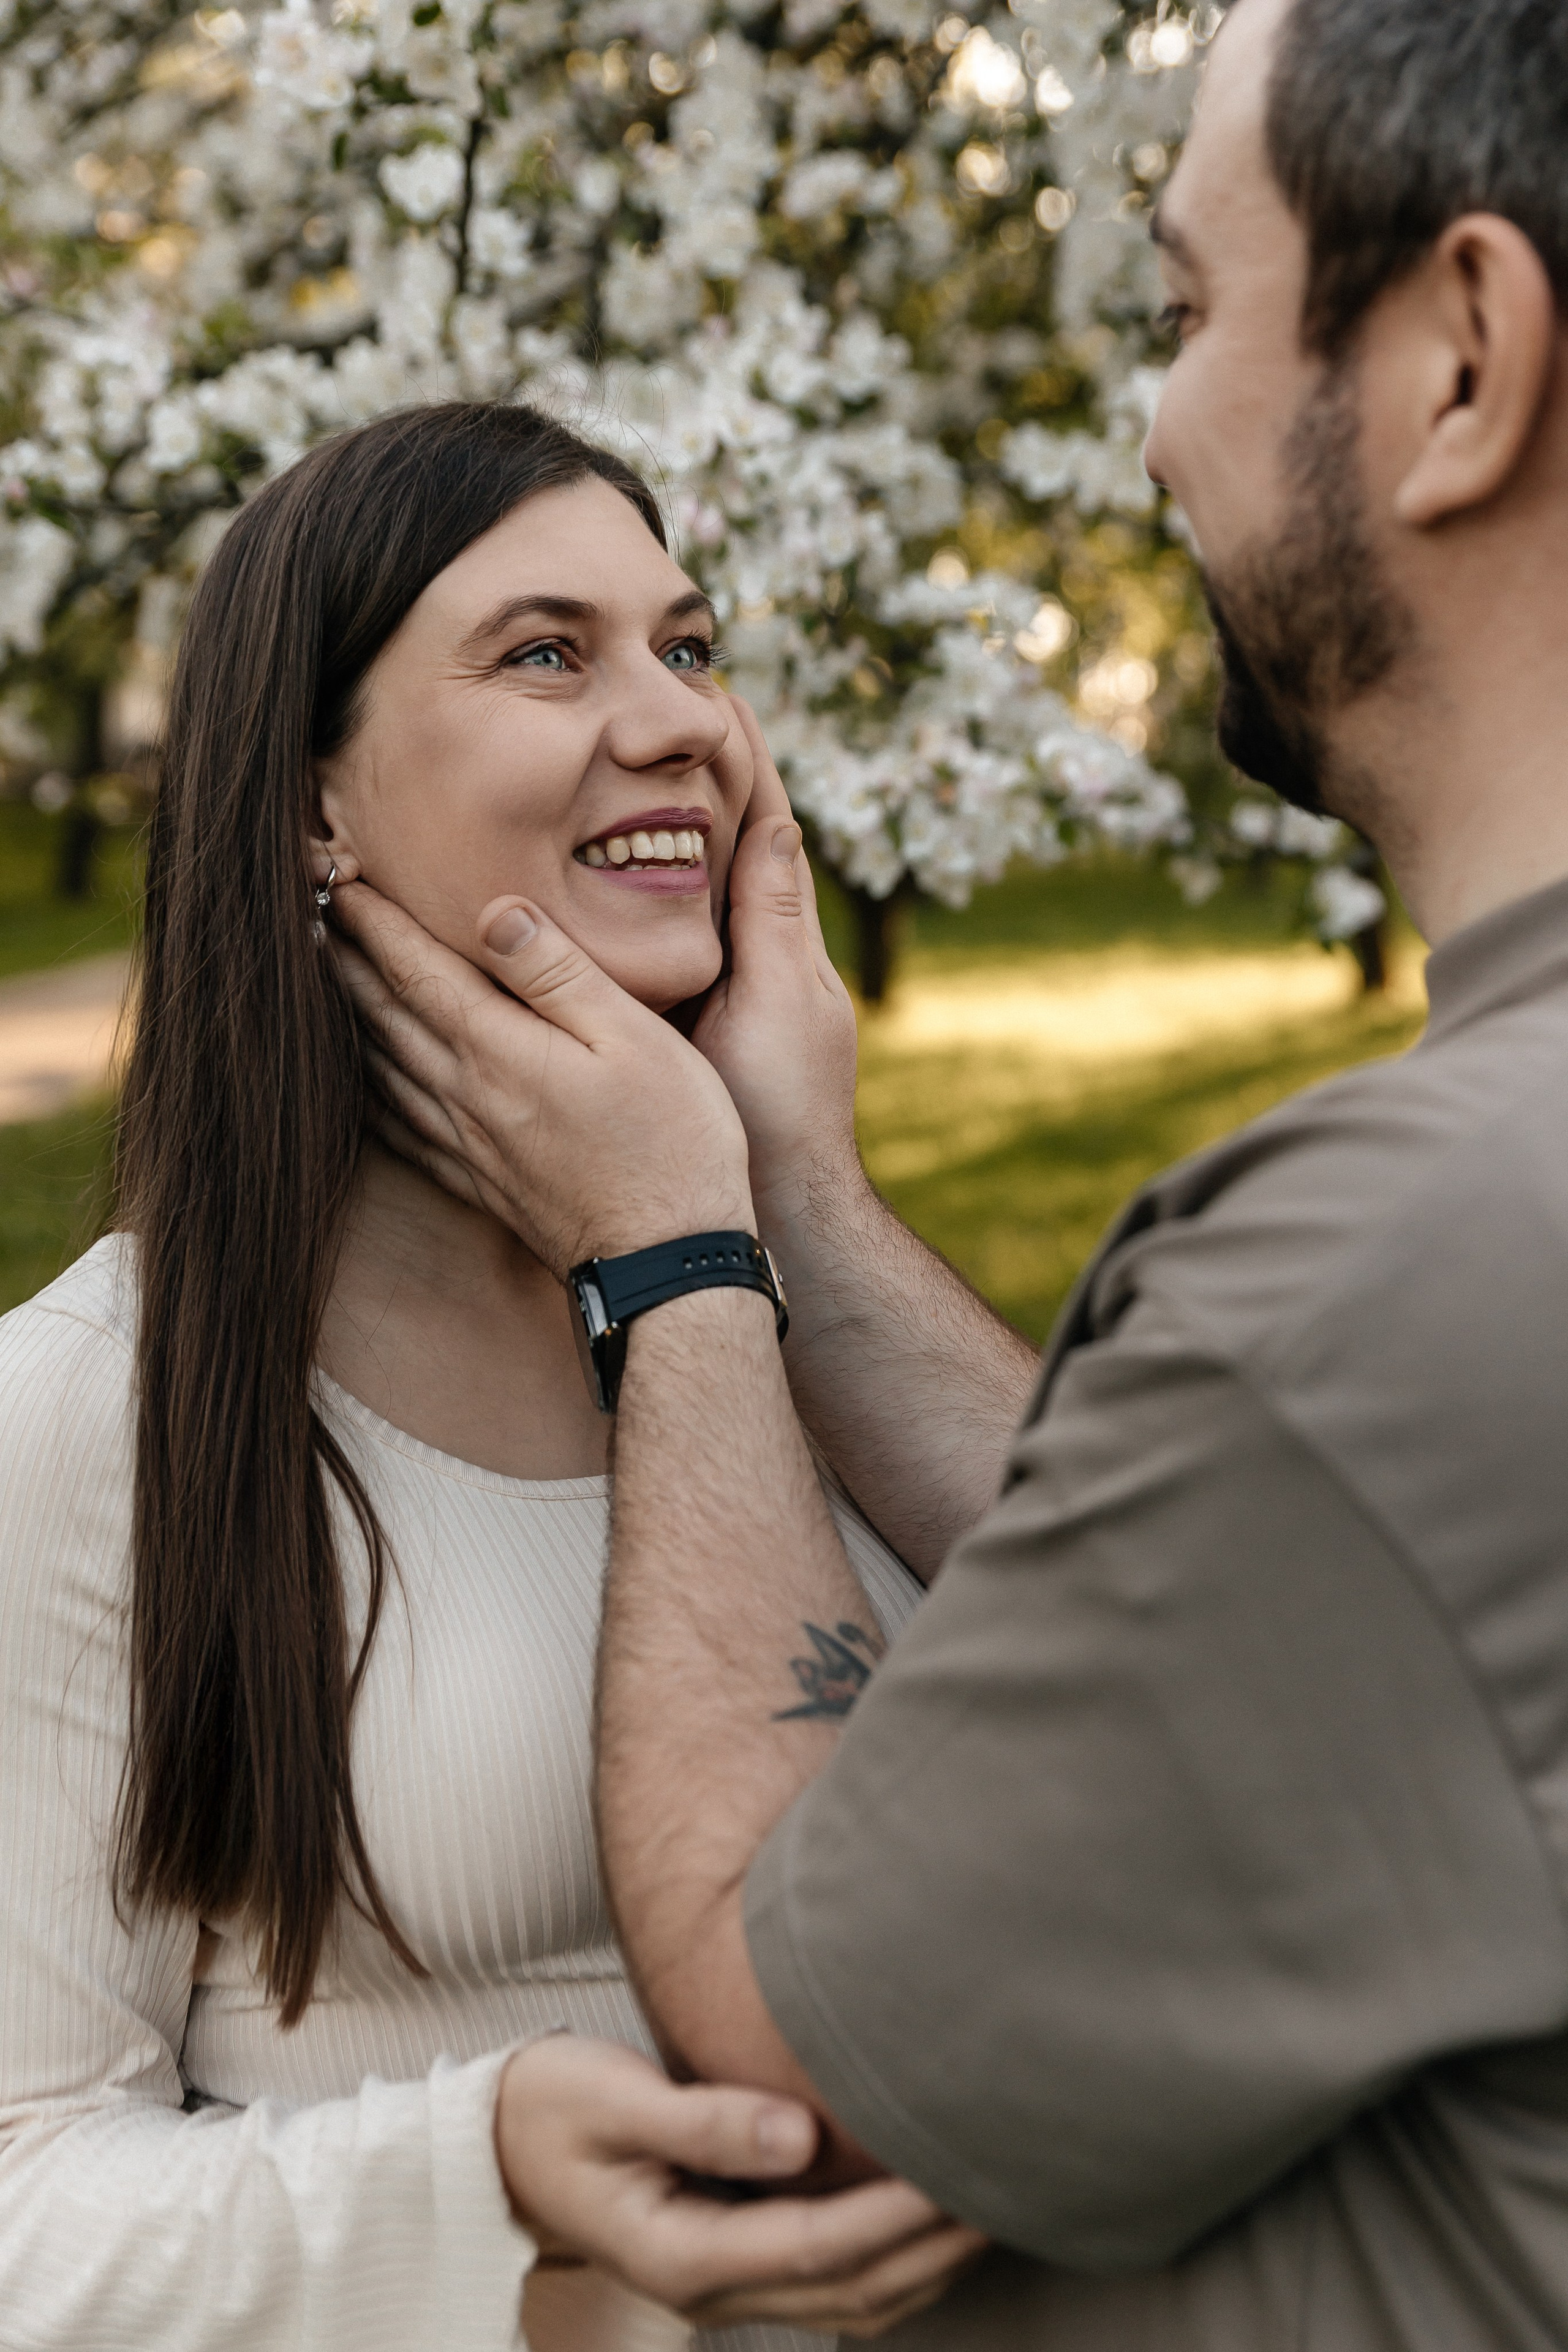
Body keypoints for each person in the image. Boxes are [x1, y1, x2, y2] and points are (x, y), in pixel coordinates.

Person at [331, 0, 1568, 2343]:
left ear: (1465, 363)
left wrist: (682, 1262)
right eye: (540, 650)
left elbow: (802, 2036)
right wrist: (787, 1176)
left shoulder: (1400, 1268)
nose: (1156, 424)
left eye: (1196, 309)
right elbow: (1250, 1615)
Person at [0, 402, 989, 2351]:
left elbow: (1210, 1719)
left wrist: (784, 1196)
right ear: (308, 805)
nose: (683, 719)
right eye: (550, 652)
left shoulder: (793, 1325)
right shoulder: (95, 1413)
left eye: (690, 649)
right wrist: (480, 2172)